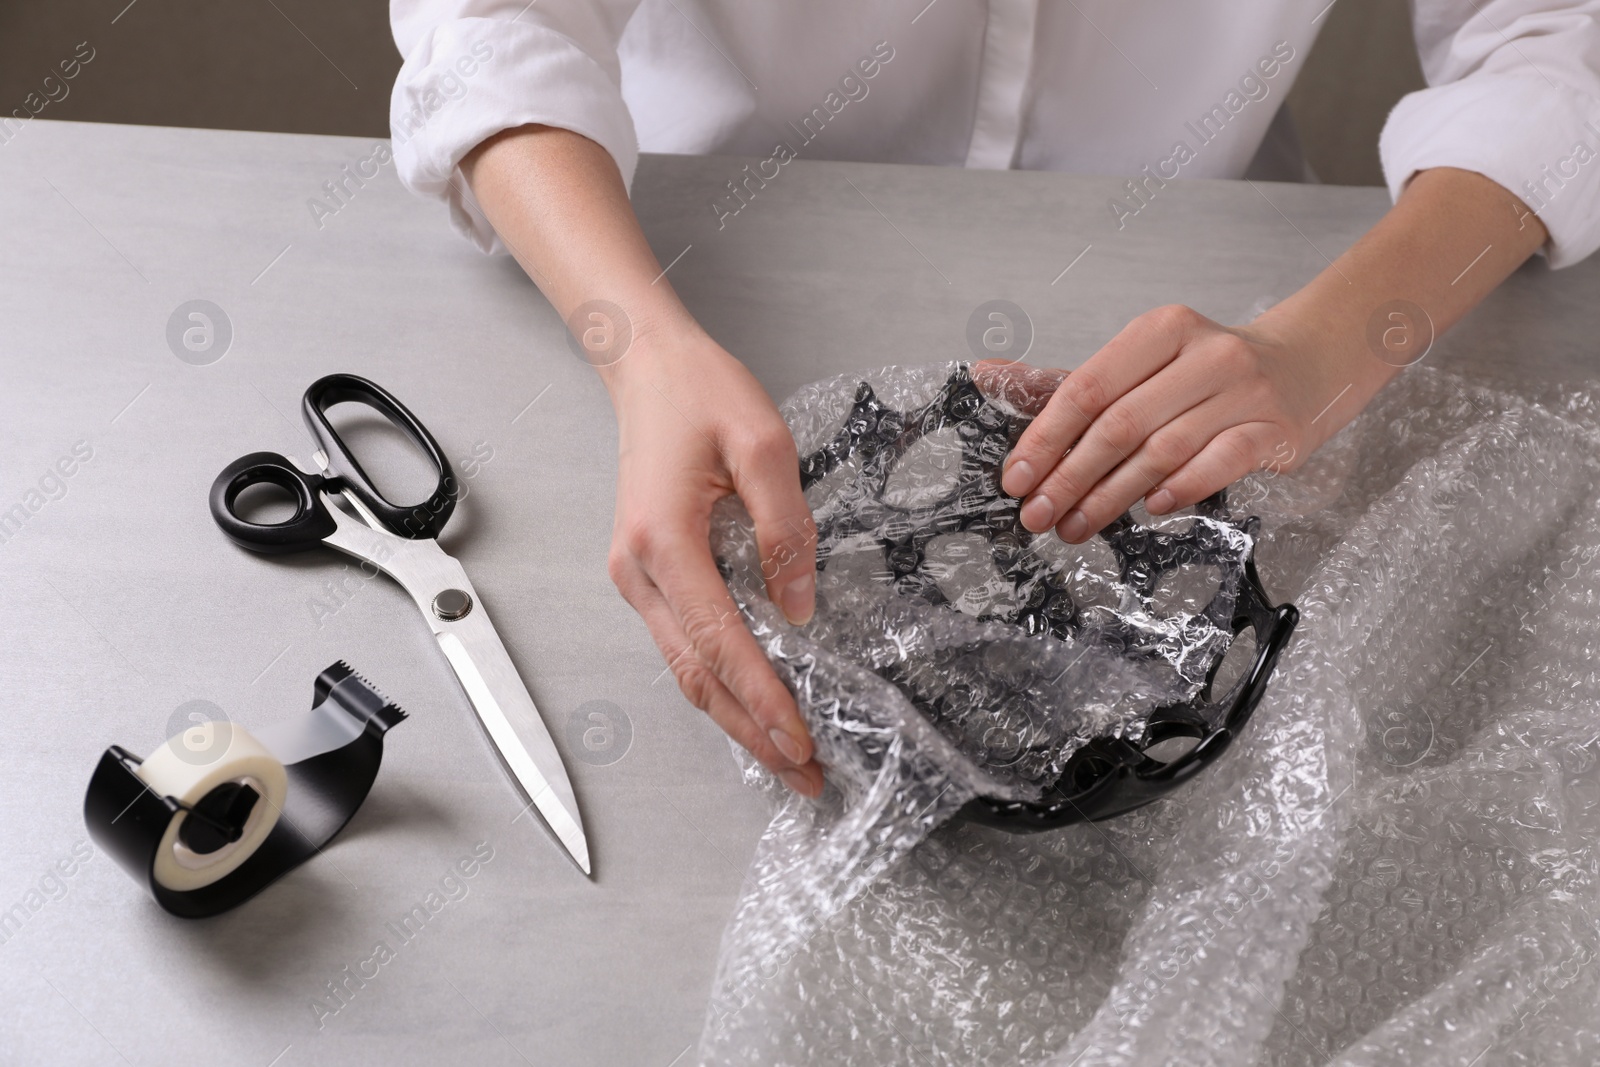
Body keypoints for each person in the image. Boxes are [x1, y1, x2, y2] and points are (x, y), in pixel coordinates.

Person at [389, 0, 1600, 798]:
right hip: (688, 260)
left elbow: (1556, 36)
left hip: (1198, 274)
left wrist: (1334, 342)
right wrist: (636, 345)